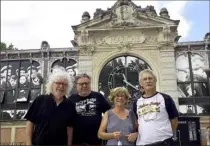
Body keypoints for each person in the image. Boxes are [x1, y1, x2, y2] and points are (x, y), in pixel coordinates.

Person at [25, 70, 76, 145]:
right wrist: (28, 143)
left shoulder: (70, 105)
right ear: (51, 84)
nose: (61, 86)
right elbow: (30, 122)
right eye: (58, 83)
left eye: (64, 84)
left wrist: (69, 144)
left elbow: (70, 128)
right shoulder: (40, 100)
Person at [133, 69, 179, 146]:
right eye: (145, 79)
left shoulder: (166, 98)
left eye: (150, 78)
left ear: (155, 81)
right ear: (141, 84)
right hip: (143, 143)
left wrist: (166, 135)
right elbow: (136, 123)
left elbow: (174, 121)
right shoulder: (137, 102)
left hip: (164, 142)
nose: (148, 81)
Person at [69, 73, 111, 145]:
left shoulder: (98, 96)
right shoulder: (71, 99)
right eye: (81, 84)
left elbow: (109, 113)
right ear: (76, 85)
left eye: (87, 83)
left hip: (96, 141)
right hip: (77, 141)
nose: (84, 86)